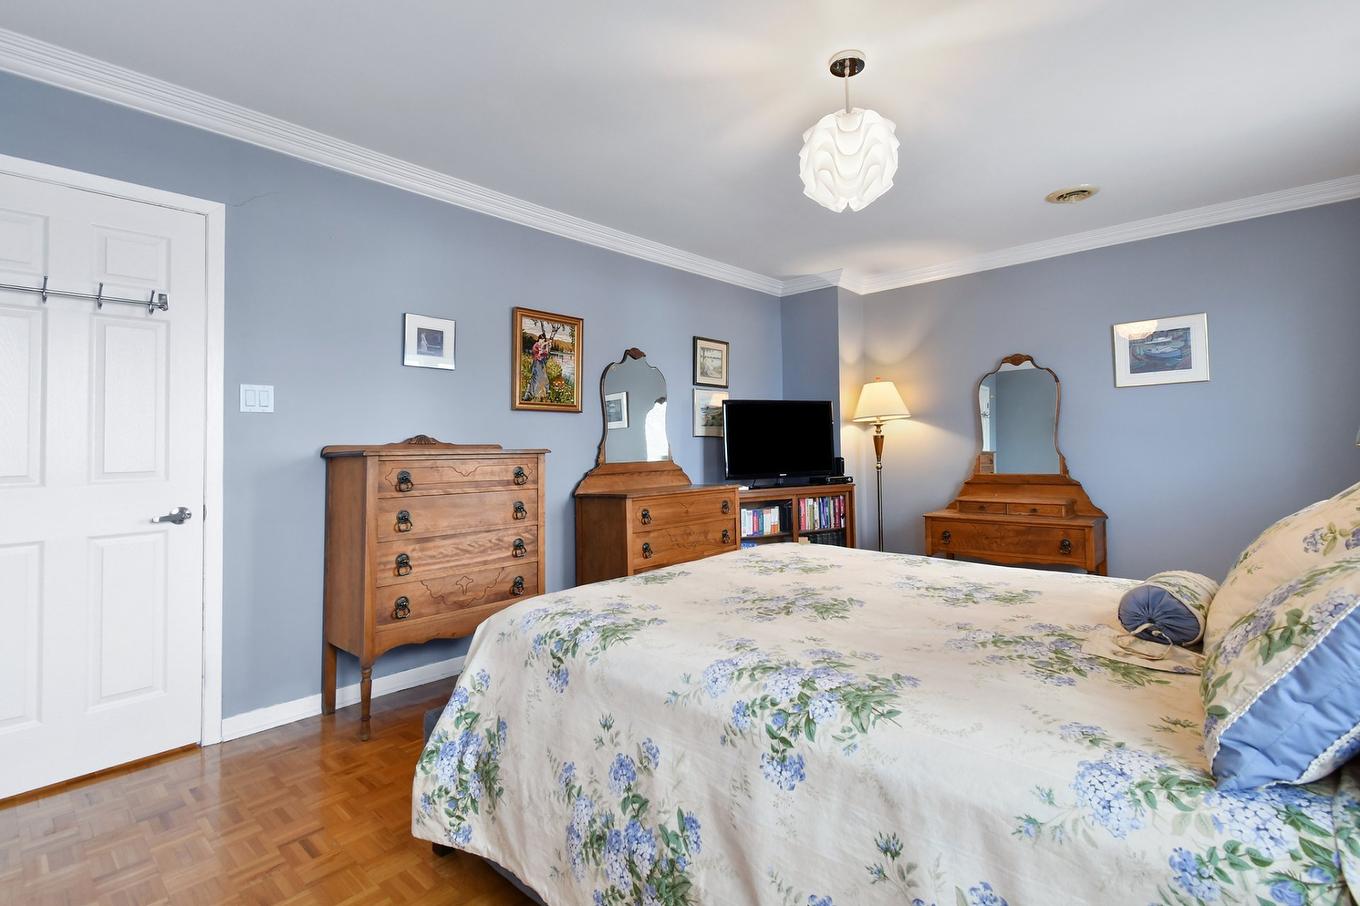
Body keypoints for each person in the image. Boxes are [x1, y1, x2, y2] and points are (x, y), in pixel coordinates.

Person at [528, 331, 550, 400]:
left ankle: (543, 394)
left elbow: (546, 354)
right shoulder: (536, 345)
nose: (542, 341)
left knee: (544, 377)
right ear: (539, 339)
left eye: (543, 340)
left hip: (541, 363)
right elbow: (538, 354)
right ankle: (535, 394)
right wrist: (543, 345)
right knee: (537, 378)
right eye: (542, 340)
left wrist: (547, 346)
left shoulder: (541, 346)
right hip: (537, 363)